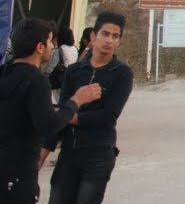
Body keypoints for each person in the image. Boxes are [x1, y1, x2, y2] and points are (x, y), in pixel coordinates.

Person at [0, 18, 101, 204]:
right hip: (18, 175)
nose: (52, 46)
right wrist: (76, 100)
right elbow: (49, 125)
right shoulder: (35, 80)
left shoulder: (5, 72)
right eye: (49, 41)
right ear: (39, 47)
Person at [44, 11, 134, 204]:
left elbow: (109, 116)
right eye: (105, 34)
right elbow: (63, 110)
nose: (109, 40)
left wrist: (72, 117)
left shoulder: (122, 74)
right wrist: (44, 151)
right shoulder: (73, 72)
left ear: (119, 41)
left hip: (98, 154)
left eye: (115, 36)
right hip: (69, 152)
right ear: (93, 36)